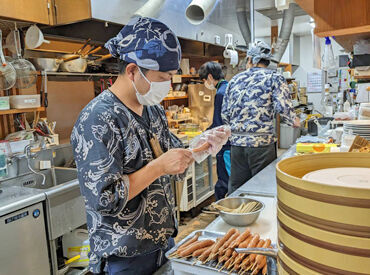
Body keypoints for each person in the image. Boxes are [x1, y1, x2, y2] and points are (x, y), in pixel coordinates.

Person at [71, 17, 230, 275]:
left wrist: (203, 144)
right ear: (133, 71)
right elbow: (104, 198)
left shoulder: (152, 110)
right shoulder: (98, 119)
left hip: (162, 242)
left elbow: (171, 155)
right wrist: (158, 167)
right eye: (162, 77)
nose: (167, 84)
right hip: (126, 256)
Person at [222, 40, 300, 194]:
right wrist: (295, 121)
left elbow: (225, 113)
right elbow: (284, 108)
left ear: (250, 60)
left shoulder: (235, 80)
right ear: (267, 61)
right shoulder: (275, 77)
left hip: (237, 144)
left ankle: (236, 215)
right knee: (263, 188)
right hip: (262, 144)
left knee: (238, 188)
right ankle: (259, 217)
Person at [199, 62, 230, 200]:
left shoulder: (220, 94)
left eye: (205, 80)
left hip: (226, 145)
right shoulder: (228, 86)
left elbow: (218, 124)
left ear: (210, 77)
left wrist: (204, 135)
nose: (206, 83)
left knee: (224, 180)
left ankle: (222, 209)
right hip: (233, 142)